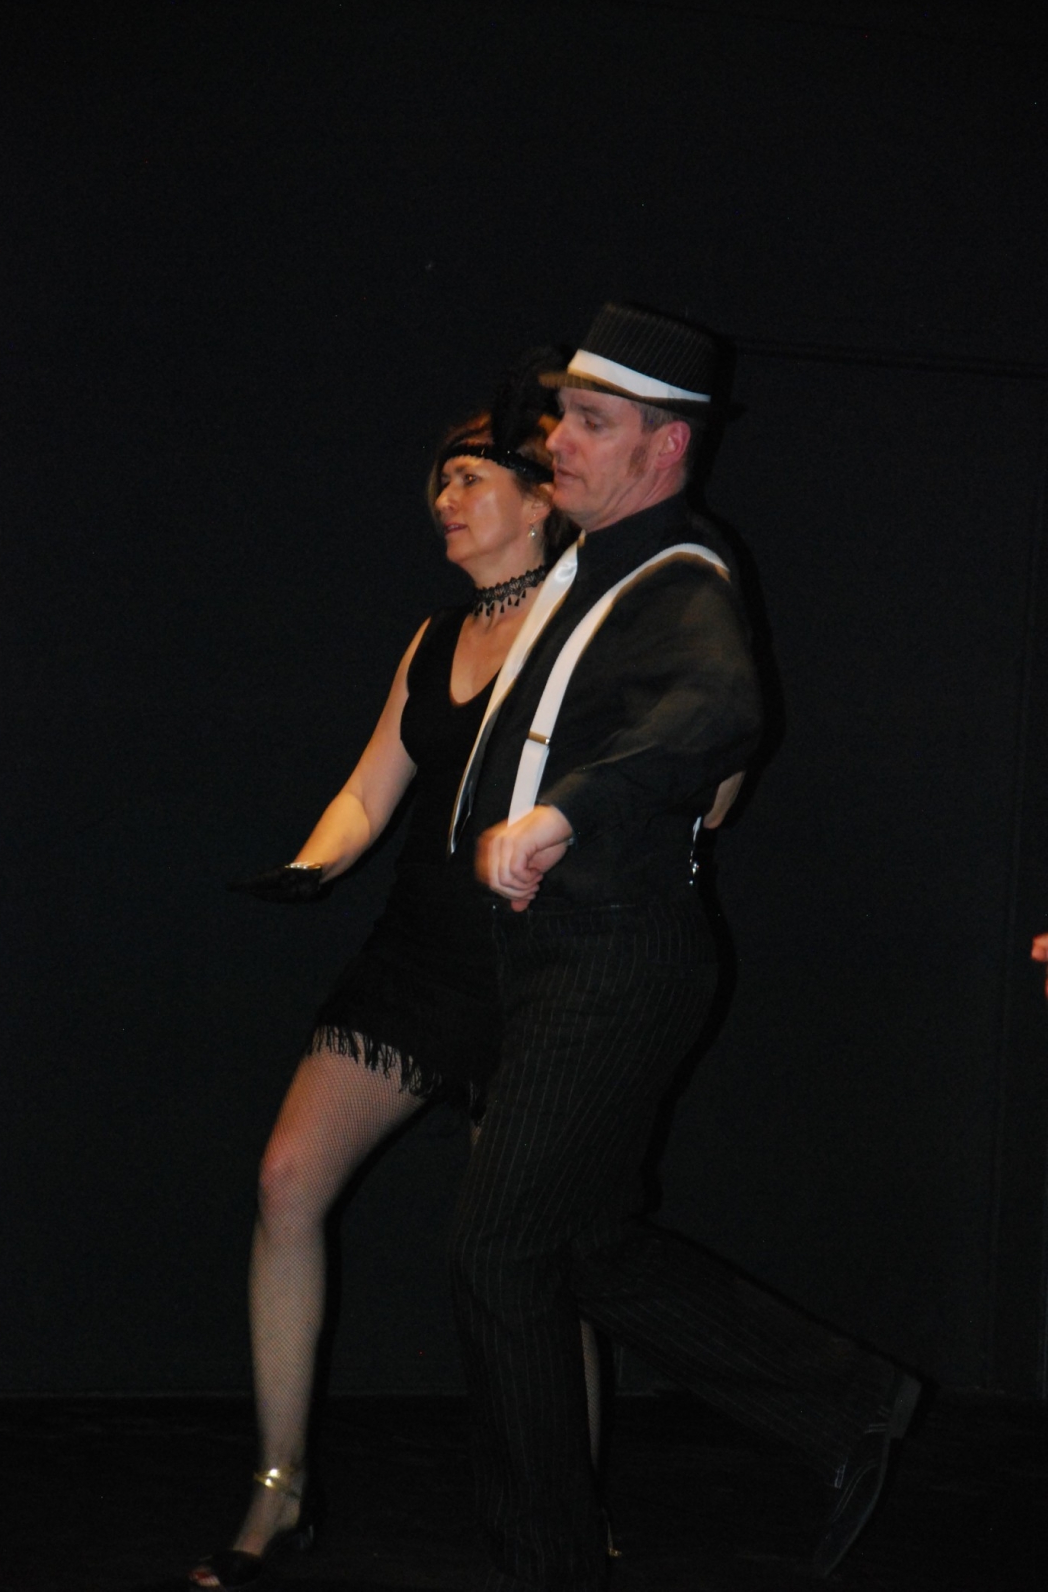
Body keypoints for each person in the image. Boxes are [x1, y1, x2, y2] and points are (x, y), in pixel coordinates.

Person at [447, 303, 921, 1590]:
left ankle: (546, 1563)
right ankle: (847, 1401)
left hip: (614, 955)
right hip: (558, 955)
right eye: (564, 415)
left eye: (594, 423)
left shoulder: (681, 576)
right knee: (582, 1241)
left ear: (668, 448)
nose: (561, 440)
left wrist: (564, 812)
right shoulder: (591, 567)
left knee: (500, 1251)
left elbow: (719, 708)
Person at [189, 360, 600, 1589]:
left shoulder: (588, 626)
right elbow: (370, 791)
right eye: (439, 486)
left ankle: (570, 1501)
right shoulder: (434, 637)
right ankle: (279, 1489)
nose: (444, 503)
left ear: (540, 495)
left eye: (467, 480)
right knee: (285, 1177)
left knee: (529, 1250)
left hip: (538, 967)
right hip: (420, 956)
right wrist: (312, 865)